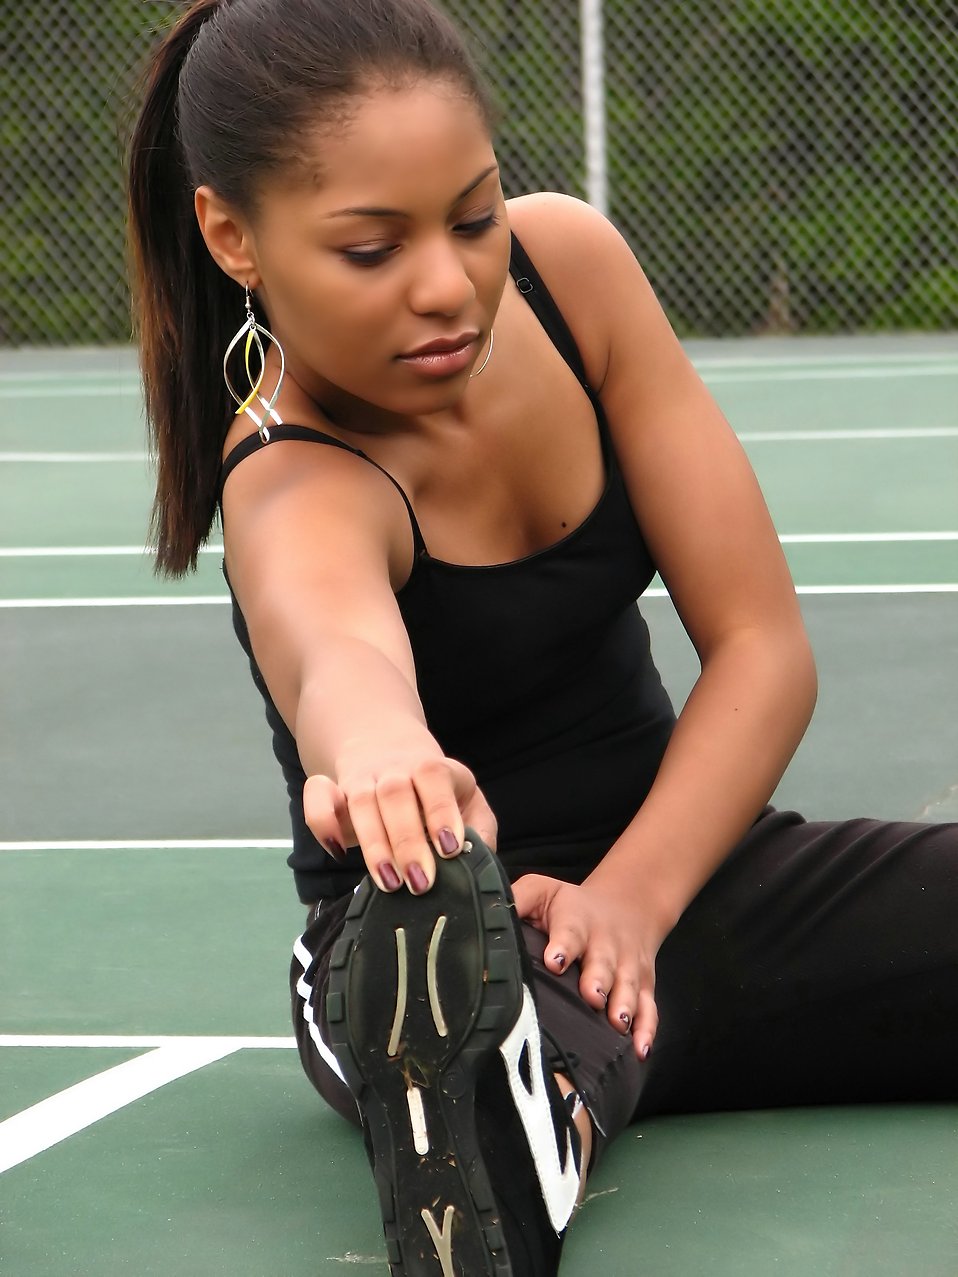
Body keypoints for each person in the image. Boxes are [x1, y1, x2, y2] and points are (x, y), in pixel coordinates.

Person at [126, 1, 957, 1273]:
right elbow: (336, 650)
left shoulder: (571, 266)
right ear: (232, 236)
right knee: (477, 1028)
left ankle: (545, 1081)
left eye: (473, 217)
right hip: (447, 944)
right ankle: (493, 1134)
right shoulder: (289, 473)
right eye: (369, 248)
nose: (447, 283)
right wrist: (388, 753)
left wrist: (630, 902)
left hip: (688, 879)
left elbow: (760, 646)